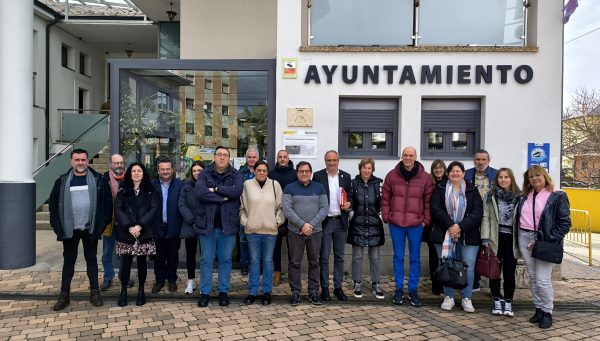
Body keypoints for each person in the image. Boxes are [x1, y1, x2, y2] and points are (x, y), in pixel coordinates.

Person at [49, 148, 113, 311]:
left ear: (87, 160)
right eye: (77, 160)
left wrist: (100, 227)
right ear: (71, 161)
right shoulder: (62, 181)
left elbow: (107, 207)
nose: (80, 163)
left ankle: (94, 292)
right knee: (68, 262)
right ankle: (64, 295)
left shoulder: (98, 180)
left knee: (91, 260)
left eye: (83, 159)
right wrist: (59, 228)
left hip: (90, 229)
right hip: (70, 230)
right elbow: (54, 207)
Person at [515, 165, 571, 329]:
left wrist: (547, 238)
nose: (534, 179)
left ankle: (547, 312)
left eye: (537, 175)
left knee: (542, 279)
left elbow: (565, 223)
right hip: (525, 237)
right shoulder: (525, 195)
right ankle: (538, 308)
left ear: (544, 175)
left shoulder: (557, 195)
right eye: (531, 177)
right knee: (533, 276)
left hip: (545, 241)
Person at [381, 146, 433, 307]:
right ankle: (398, 289)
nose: (408, 158)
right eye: (405, 155)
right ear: (401, 156)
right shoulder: (392, 175)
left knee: (415, 258)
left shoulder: (425, 177)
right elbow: (385, 197)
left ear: (415, 157)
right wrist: (386, 216)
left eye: (411, 155)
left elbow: (428, 201)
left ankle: (412, 290)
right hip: (396, 223)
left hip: (416, 224)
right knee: (398, 257)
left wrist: (425, 220)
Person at [429, 161, 483, 313]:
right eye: (452, 171)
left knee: (469, 267)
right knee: (447, 264)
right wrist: (451, 225)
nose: (455, 174)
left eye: (458, 171)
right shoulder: (439, 189)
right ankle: (449, 297)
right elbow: (435, 209)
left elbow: (477, 212)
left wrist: (460, 226)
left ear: (464, 174)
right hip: (443, 232)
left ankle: (467, 298)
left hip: (469, 234)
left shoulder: (472, 190)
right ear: (448, 173)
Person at [195, 146, 244, 307]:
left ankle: (223, 292)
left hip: (227, 226)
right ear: (214, 157)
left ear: (229, 157)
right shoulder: (204, 173)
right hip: (207, 226)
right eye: (219, 155)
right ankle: (205, 293)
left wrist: (216, 189)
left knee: (225, 260)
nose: (222, 157)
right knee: (206, 260)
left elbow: (236, 191)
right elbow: (200, 192)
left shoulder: (236, 174)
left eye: (225, 155)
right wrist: (222, 197)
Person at [283, 161, 328, 306]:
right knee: (294, 263)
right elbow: (287, 209)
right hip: (295, 232)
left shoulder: (319, 188)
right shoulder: (289, 188)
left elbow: (324, 208)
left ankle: (313, 292)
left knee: (314, 262)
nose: (304, 174)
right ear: (297, 173)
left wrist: (311, 225)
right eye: (301, 171)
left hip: (315, 232)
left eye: (307, 171)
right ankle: (295, 292)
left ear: (311, 172)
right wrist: (302, 225)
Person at [114, 162, 159, 307]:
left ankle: (141, 291)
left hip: (144, 231)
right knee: (125, 264)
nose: (136, 173)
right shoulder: (123, 189)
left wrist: (140, 225)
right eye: (133, 171)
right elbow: (118, 209)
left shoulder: (151, 190)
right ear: (130, 173)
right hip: (126, 232)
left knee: (141, 264)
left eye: (139, 170)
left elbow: (153, 209)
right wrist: (129, 226)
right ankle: (123, 291)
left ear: (143, 173)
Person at [240, 161, 285, 305]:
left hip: (270, 231)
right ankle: (252, 292)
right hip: (252, 230)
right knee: (253, 262)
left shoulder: (274, 185)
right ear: (254, 171)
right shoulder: (247, 185)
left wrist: (276, 222)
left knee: (267, 261)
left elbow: (281, 207)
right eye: (259, 170)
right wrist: (246, 222)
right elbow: (242, 207)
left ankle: (266, 292)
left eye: (264, 170)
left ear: (267, 172)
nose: (261, 173)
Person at [481, 168, 521, 317]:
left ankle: (508, 302)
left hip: (512, 241)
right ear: (496, 179)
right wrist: (485, 238)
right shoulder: (490, 196)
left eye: (506, 177)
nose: (503, 180)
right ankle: (497, 300)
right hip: (495, 239)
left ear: (511, 179)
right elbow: (485, 217)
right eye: (500, 177)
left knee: (509, 274)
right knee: (494, 273)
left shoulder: (519, 197)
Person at [312, 150, 352, 302]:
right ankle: (324, 288)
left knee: (340, 257)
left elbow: (351, 197)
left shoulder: (346, 177)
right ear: (325, 161)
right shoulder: (318, 176)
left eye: (334, 160)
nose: (332, 163)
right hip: (325, 222)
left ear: (338, 160)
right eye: (329, 160)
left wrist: (349, 204)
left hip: (341, 222)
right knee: (324, 257)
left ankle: (338, 287)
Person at [346, 157, 385, 299]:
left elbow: (383, 202)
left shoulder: (379, 183)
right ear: (360, 168)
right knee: (357, 257)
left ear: (372, 169)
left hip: (375, 225)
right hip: (358, 225)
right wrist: (350, 213)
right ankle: (357, 282)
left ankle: (376, 284)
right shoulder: (353, 183)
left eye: (369, 168)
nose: (366, 170)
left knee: (375, 257)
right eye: (364, 167)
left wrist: (381, 216)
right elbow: (349, 200)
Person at [464, 149, 497, 291]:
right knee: (473, 250)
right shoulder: (466, 174)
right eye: (478, 159)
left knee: (491, 250)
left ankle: (494, 286)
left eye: (483, 159)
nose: (480, 162)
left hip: (490, 219)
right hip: (471, 217)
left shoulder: (496, 175)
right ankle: (474, 282)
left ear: (488, 161)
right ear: (474, 160)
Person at [100, 154, 134, 291]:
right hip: (110, 223)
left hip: (126, 224)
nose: (119, 165)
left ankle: (123, 275)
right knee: (107, 252)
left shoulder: (130, 179)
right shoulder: (103, 179)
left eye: (121, 163)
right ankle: (108, 277)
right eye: (116, 163)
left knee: (125, 252)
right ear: (110, 164)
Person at [151, 158, 184, 294]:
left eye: (168, 169)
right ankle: (159, 280)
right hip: (157, 225)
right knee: (158, 256)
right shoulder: (151, 185)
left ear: (172, 170)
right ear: (158, 170)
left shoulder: (180, 185)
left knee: (172, 255)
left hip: (174, 225)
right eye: (162, 169)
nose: (165, 172)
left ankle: (171, 280)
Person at [268, 149, 297, 287]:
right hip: (276, 215)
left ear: (288, 158)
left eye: (285, 157)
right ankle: (277, 273)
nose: (282, 159)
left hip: (292, 215)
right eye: (280, 157)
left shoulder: (295, 174)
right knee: (276, 247)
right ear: (277, 158)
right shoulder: (271, 174)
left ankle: (292, 273)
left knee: (292, 247)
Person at [178, 160, 205, 295]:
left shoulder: (208, 185)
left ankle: (205, 282)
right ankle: (191, 280)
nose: (196, 173)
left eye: (199, 170)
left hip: (205, 225)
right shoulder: (186, 186)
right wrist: (192, 220)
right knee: (190, 254)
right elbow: (181, 205)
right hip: (190, 225)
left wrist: (202, 220)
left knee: (205, 255)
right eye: (194, 171)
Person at [423, 159, 447, 296]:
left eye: (440, 167)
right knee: (434, 256)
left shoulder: (449, 183)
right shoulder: (429, 184)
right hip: (432, 226)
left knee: (445, 255)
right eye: (435, 168)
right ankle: (436, 285)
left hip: (445, 225)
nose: (438, 170)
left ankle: (445, 282)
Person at [237, 148, 260, 275]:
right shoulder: (240, 172)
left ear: (258, 158)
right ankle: (244, 265)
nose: (251, 159)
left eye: (254, 157)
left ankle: (257, 265)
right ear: (246, 158)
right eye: (249, 157)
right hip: (244, 210)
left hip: (260, 211)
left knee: (258, 239)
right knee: (244, 240)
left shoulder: (262, 171)